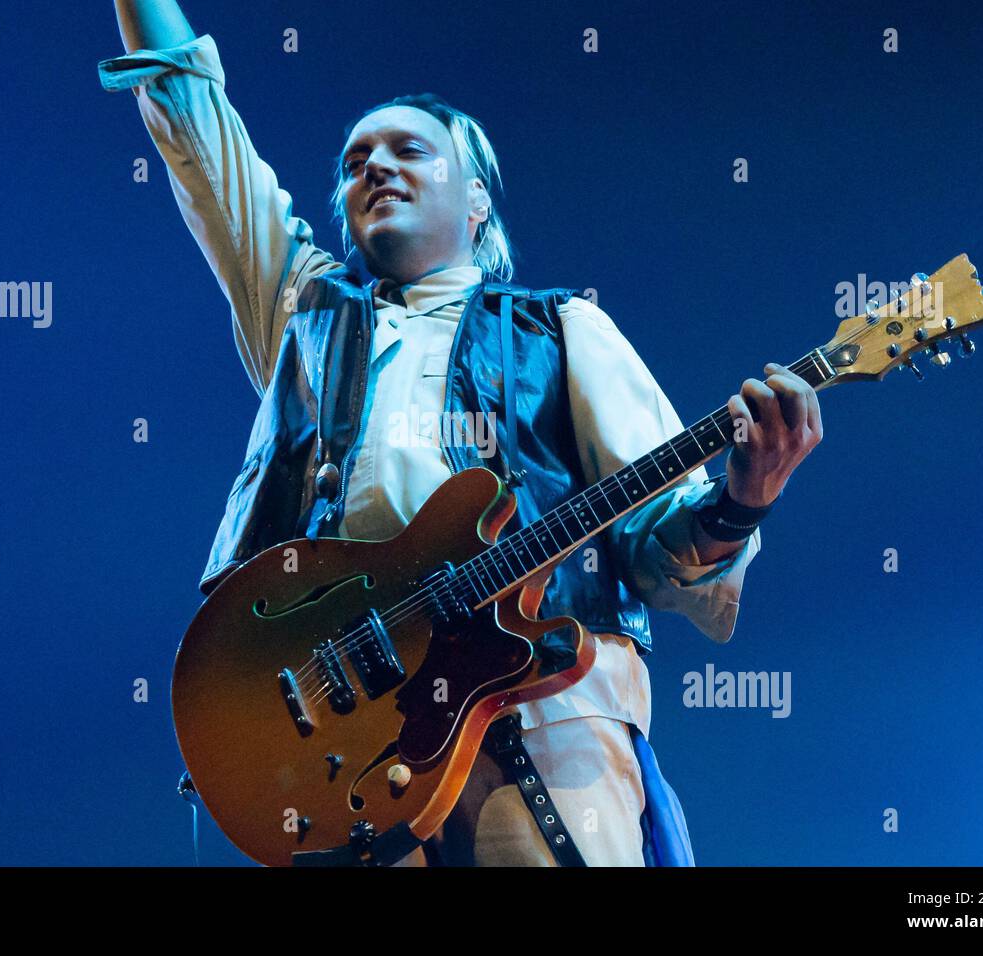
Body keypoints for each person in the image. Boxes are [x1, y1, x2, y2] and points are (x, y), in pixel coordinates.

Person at [100, 0, 822, 866]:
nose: (376, 168)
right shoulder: (309, 316)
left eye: (411, 151)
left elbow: (654, 543)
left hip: (536, 717)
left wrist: (744, 500)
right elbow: (201, 140)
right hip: (335, 739)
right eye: (355, 161)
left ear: (477, 199)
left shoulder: (563, 330)